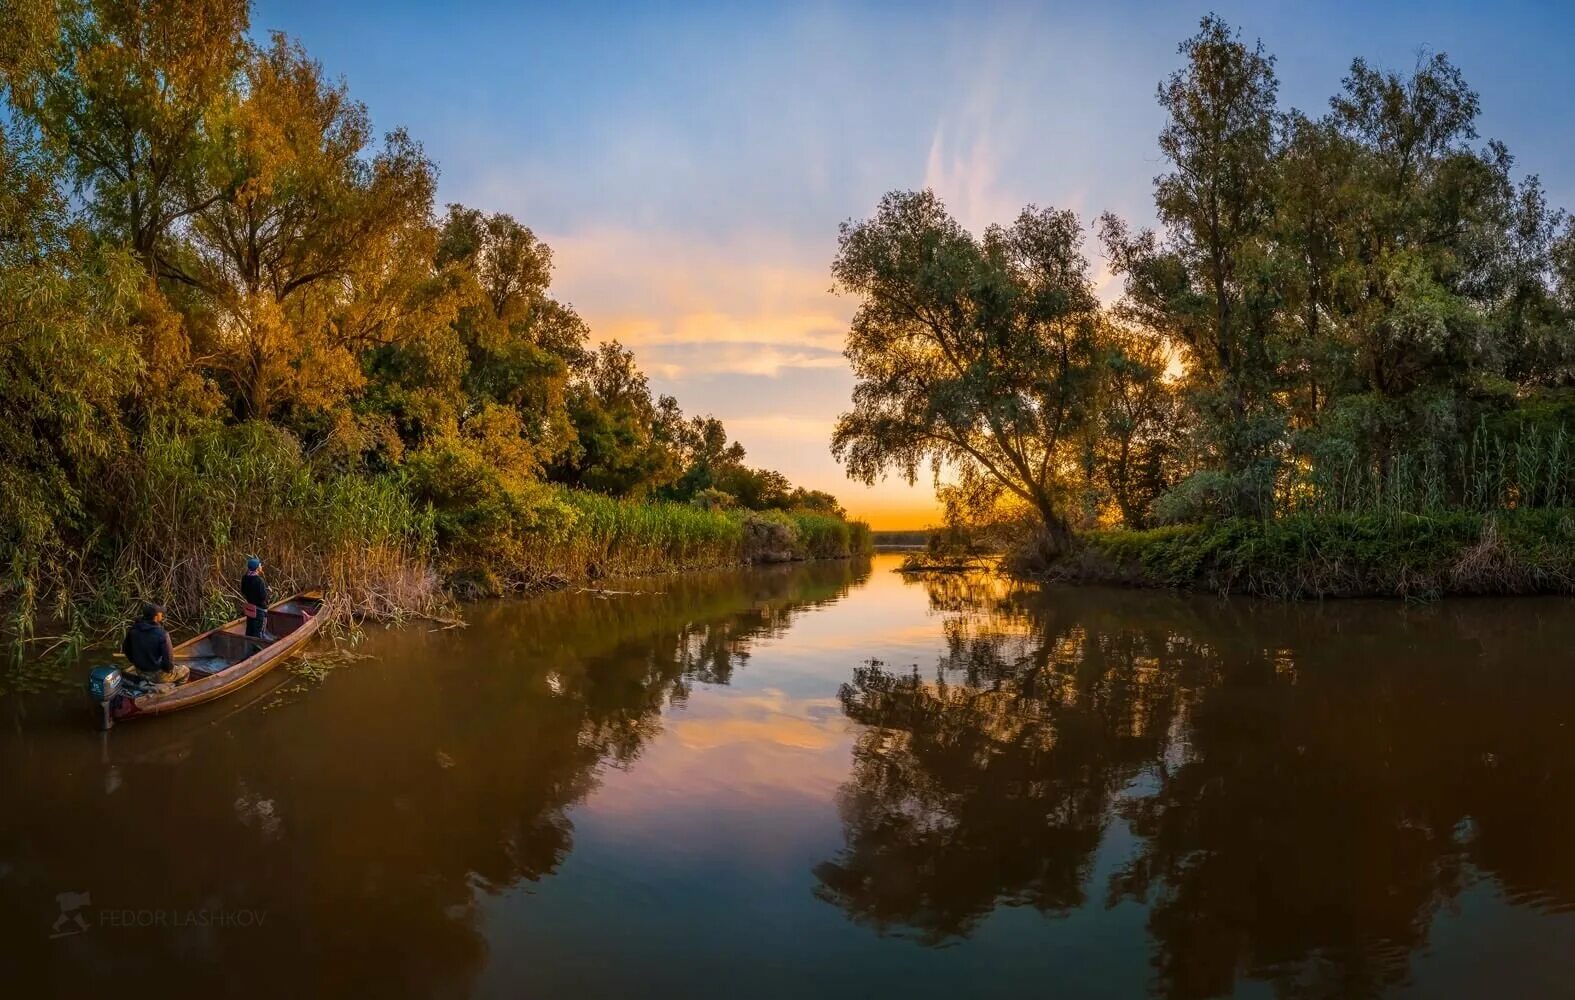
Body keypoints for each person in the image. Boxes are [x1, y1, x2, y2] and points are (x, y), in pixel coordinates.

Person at [122, 602, 188, 685]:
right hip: (156, 675)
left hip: (139, 671)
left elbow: (126, 649)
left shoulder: (133, 630)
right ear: (156, 616)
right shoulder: (162, 634)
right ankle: (175, 689)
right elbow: (169, 661)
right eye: (161, 613)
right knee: (185, 670)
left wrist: (136, 662)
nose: (162, 615)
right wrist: (169, 671)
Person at [241, 556, 275, 641]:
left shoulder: (245, 578)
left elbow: (244, 591)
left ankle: (248, 647)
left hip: (250, 608)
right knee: (259, 633)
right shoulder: (259, 581)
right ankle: (258, 651)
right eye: (260, 565)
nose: (261, 567)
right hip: (260, 610)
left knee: (250, 630)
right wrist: (268, 592)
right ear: (257, 568)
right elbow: (263, 597)